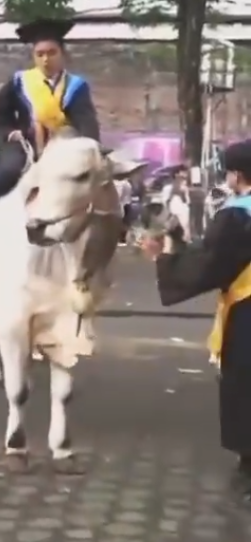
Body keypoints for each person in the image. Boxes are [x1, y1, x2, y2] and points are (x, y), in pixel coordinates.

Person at [142, 139, 251, 502]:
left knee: (244, 386)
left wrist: (164, 260)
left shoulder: (237, 216)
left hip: (247, 313)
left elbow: (210, 262)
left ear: (238, 175)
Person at [0, 17, 100, 232]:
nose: (45, 60)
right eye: (40, 54)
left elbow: (86, 119)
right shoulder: (20, 81)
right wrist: (9, 132)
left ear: (63, 54)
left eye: (51, 53)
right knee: (11, 169)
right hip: (23, 141)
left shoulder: (76, 86)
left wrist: (90, 147)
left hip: (61, 144)